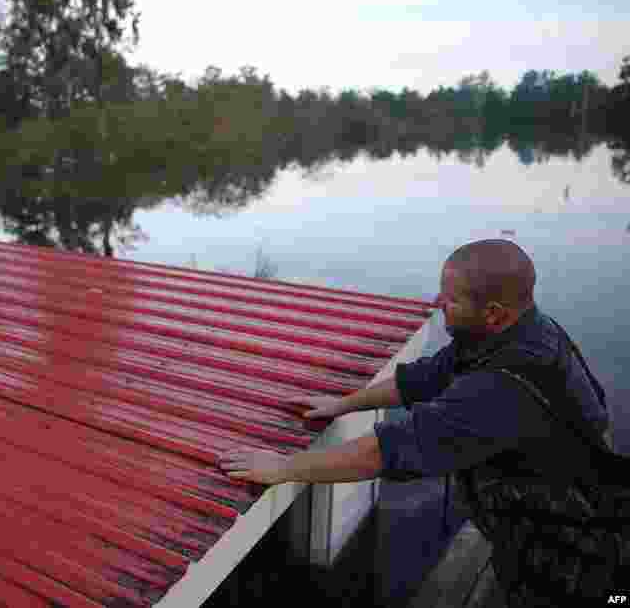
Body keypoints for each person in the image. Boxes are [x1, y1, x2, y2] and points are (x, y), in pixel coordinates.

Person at [219, 239, 620, 605]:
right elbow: (423, 377)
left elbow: (383, 452)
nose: (436, 304)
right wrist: (342, 404)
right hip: (526, 527)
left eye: (451, 300)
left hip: (569, 548)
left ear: (494, 313)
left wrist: (283, 467)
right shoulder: (516, 330)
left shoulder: (504, 385)